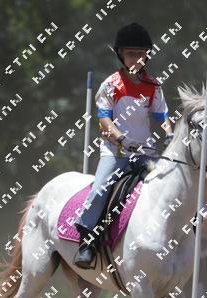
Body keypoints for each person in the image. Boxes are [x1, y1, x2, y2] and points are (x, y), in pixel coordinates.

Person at [74, 22, 174, 269]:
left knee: (171, 182)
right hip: (115, 151)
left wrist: (170, 134)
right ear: (120, 54)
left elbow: (162, 116)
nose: (137, 59)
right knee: (100, 188)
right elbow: (104, 120)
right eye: (131, 53)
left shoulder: (154, 86)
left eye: (141, 53)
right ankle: (87, 241)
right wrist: (121, 139)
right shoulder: (110, 84)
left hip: (146, 153)